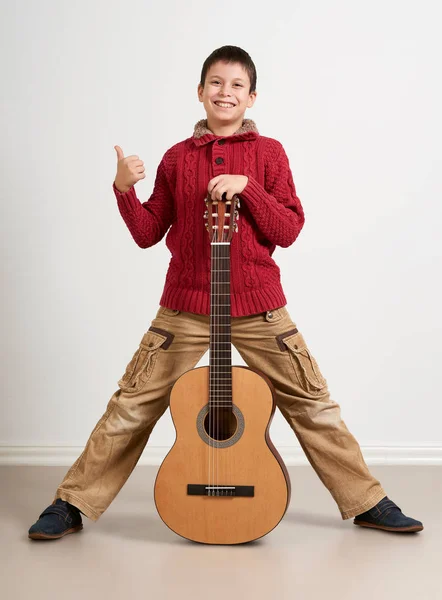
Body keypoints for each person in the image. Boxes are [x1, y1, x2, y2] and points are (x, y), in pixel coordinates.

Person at [28, 45, 423, 540]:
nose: (225, 92)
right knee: (132, 404)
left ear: (252, 97)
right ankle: (72, 503)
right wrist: (124, 190)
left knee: (312, 402)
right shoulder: (176, 157)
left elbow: (289, 229)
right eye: (215, 83)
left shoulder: (270, 153)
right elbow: (149, 232)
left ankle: (367, 500)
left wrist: (250, 187)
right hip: (187, 305)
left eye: (237, 85)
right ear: (199, 92)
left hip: (260, 307)